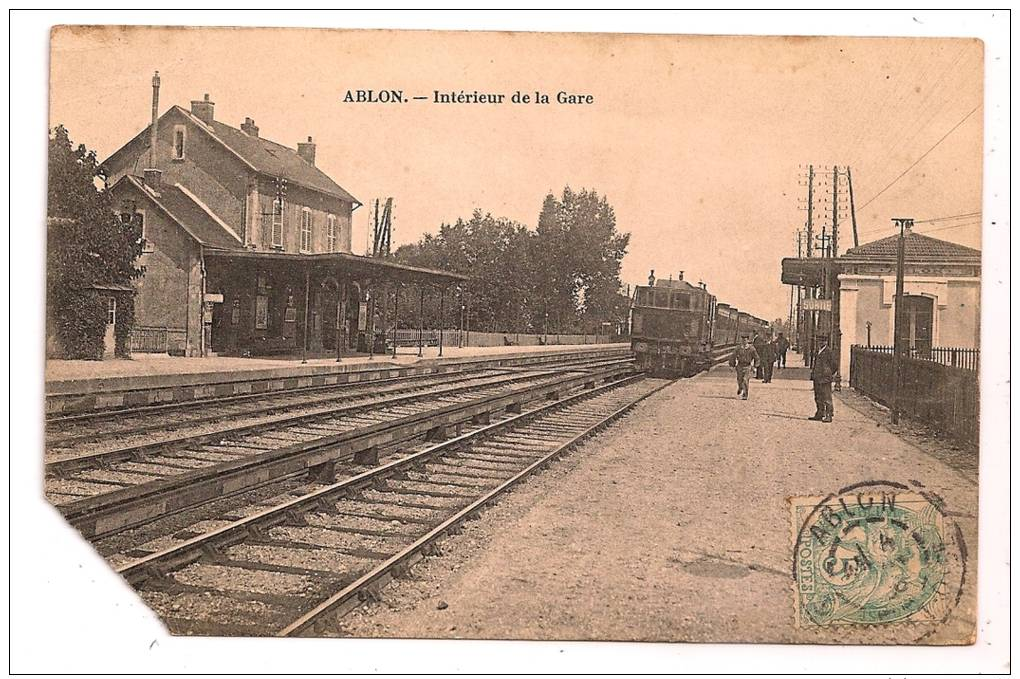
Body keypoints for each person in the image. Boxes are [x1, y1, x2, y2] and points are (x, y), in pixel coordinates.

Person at [809, 339, 837, 422]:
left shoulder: (829, 352)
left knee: (826, 397)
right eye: (818, 341)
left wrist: (828, 373)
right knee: (818, 396)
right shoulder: (818, 351)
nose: (820, 343)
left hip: (825, 378)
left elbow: (834, 365)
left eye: (822, 341)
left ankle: (829, 415)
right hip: (817, 377)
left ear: (826, 342)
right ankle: (820, 413)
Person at [729, 335, 759, 400]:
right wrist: (732, 365)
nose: (744, 341)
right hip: (739, 366)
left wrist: (755, 367)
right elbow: (733, 356)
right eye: (742, 340)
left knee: (745, 380)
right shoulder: (738, 348)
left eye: (745, 340)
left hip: (747, 366)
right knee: (739, 380)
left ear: (748, 340)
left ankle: (745, 395)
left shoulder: (752, 349)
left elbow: (757, 358)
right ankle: (740, 387)